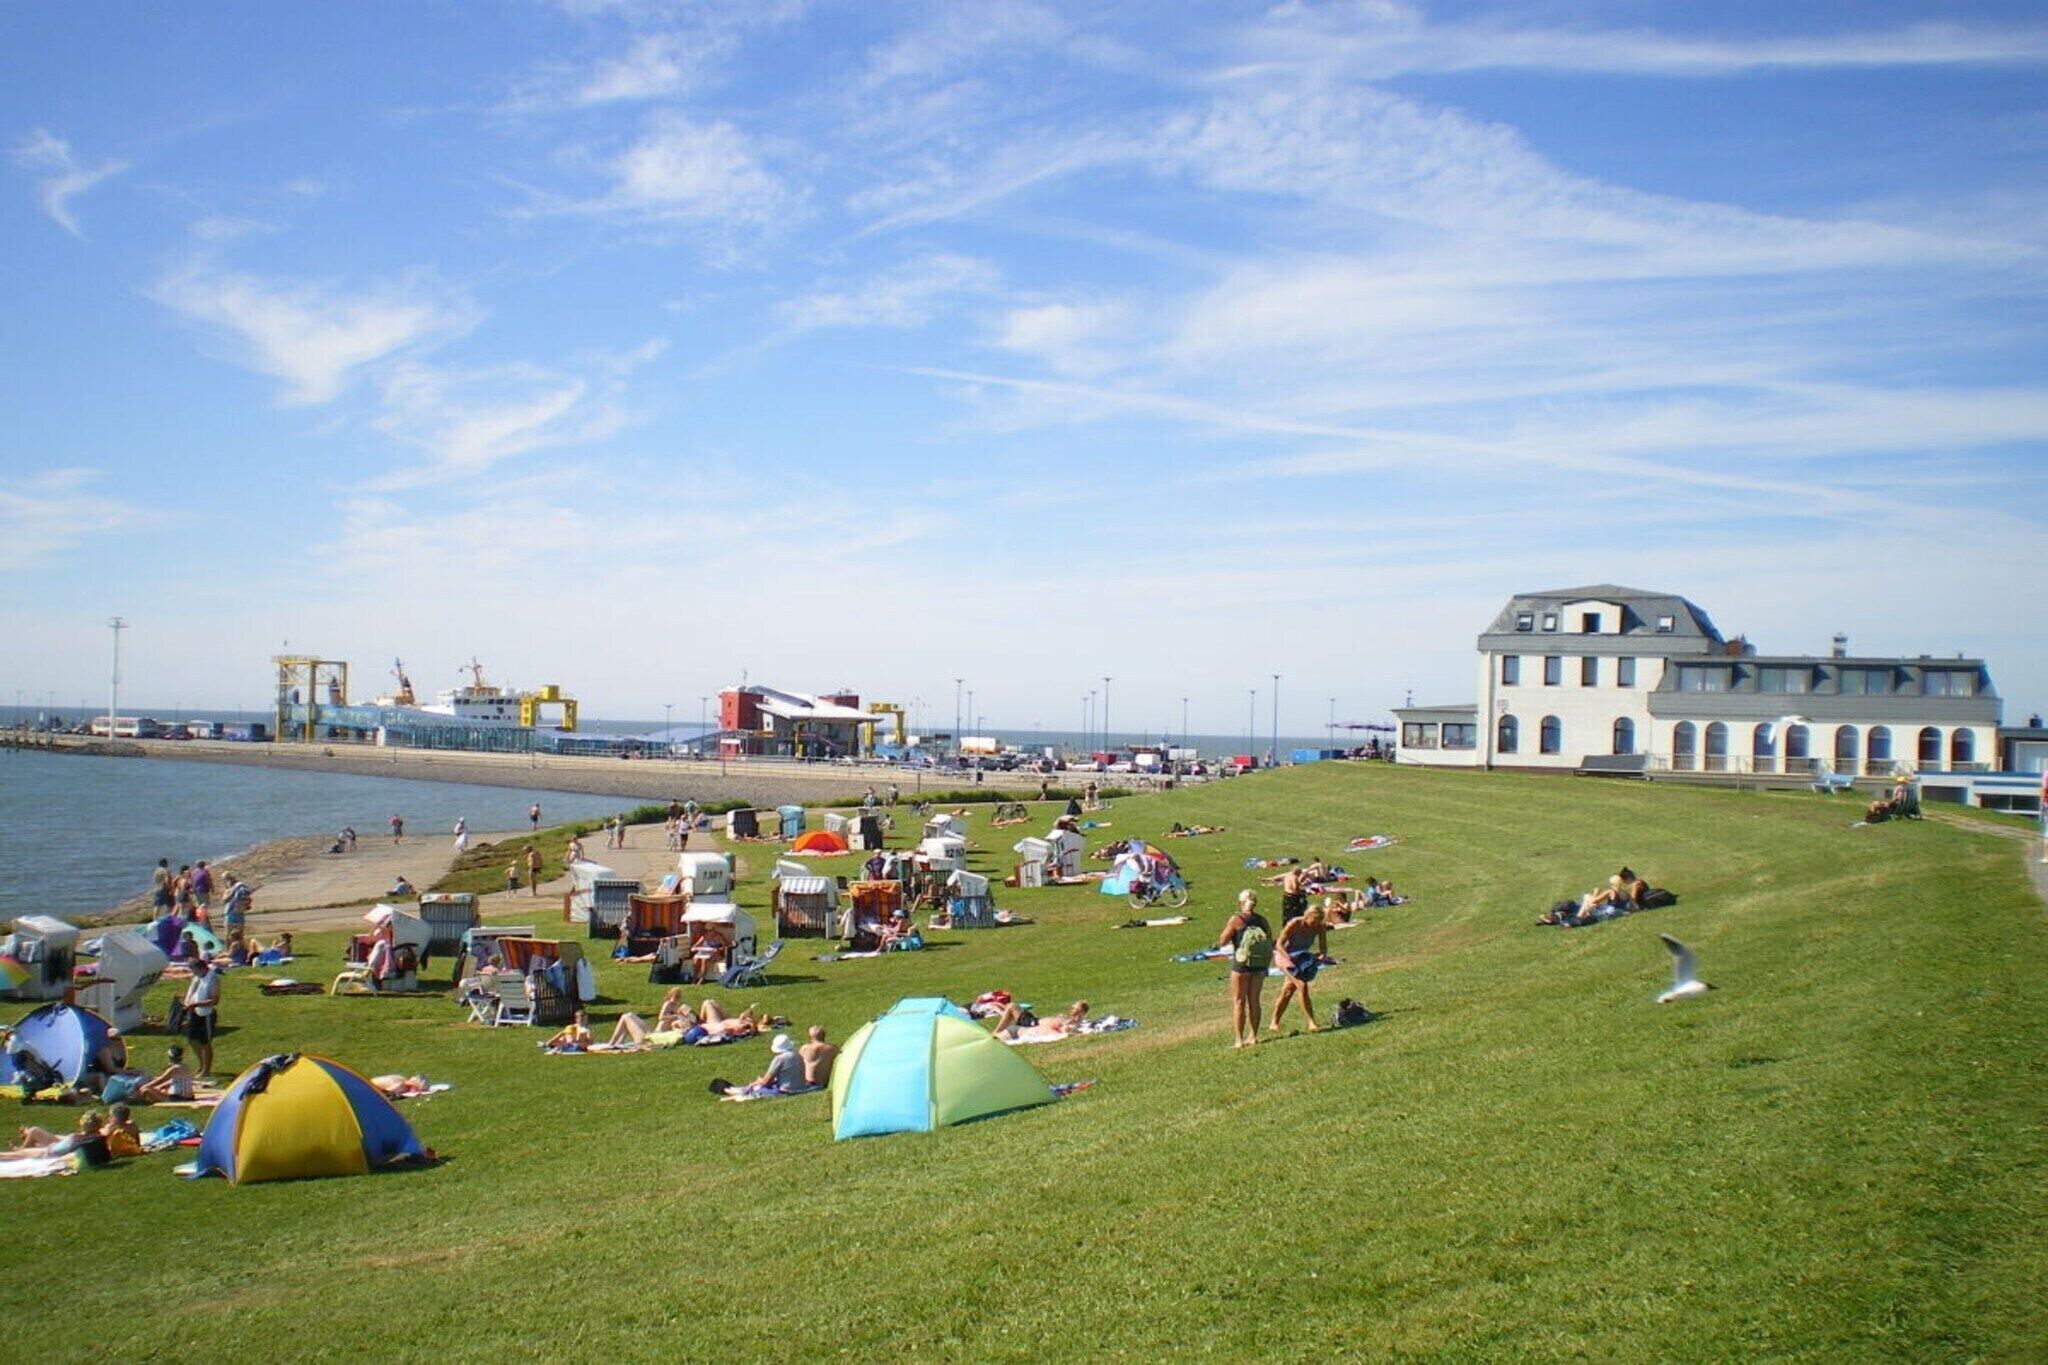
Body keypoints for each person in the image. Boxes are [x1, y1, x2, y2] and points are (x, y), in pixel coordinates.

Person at [1219, 889, 1274, 1049]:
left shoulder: (1236, 919)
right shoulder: (1262, 920)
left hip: (1241, 965)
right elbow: (1269, 940)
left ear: (1240, 903)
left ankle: (1239, 1040)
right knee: (1254, 1001)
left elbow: (1223, 941)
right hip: (1259, 965)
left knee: (1239, 1002)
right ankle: (1253, 1036)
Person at [1270, 904, 1328, 1034]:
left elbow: (1323, 947)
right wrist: (1288, 959)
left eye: (1318, 921)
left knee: (1288, 991)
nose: (1315, 924)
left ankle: (1274, 1022)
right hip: (1284, 956)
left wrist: (1321, 956)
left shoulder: (1320, 927)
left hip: (1301, 958)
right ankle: (1311, 1022)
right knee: (1302, 985)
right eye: (1313, 921)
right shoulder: (1295, 923)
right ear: (1307, 916)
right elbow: (1279, 944)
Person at [182, 958, 221, 1077]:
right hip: (193, 1013)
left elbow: (214, 1000)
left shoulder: (213, 979)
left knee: (205, 1042)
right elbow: (194, 993)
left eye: (193, 969)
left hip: (205, 1014)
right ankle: (201, 1064)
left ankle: (206, 1069)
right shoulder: (197, 978)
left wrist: (195, 1004)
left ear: (201, 968)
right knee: (192, 1039)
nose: (192, 972)